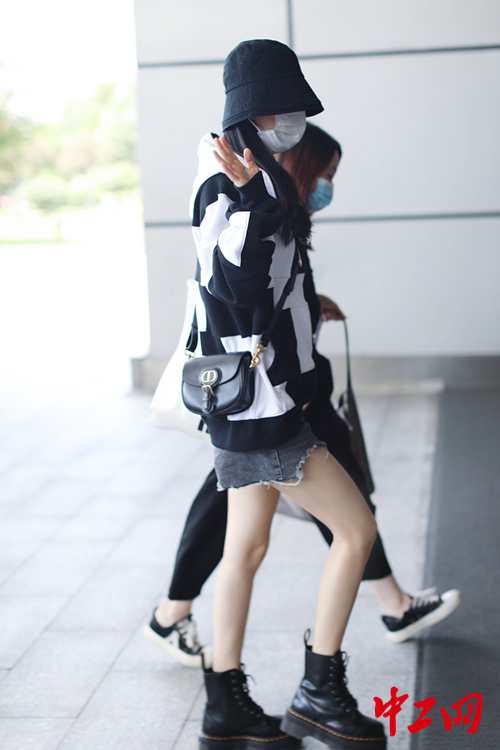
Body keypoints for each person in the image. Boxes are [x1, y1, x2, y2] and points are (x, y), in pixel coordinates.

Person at [145, 122, 460, 670]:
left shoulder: (282, 214)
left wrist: (313, 302)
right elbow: (249, 297)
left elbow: (279, 295)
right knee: (329, 521)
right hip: (273, 399)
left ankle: (219, 665)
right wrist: (257, 208)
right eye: (326, 174)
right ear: (301, 165)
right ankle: (313, 663)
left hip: (286, 394)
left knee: (257, 532)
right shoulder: (260, 211)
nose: (328, 186)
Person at [162, 38, 387, 750]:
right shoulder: (227, 182)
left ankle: (225, 705)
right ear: (251, 112)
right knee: (355, 533)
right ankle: (320, 693)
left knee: (246, 548)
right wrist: (259, 201)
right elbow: (237, 292)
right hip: (263, 408)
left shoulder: (249, 173)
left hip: (254, 402)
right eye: (280, 109)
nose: (293, 122)